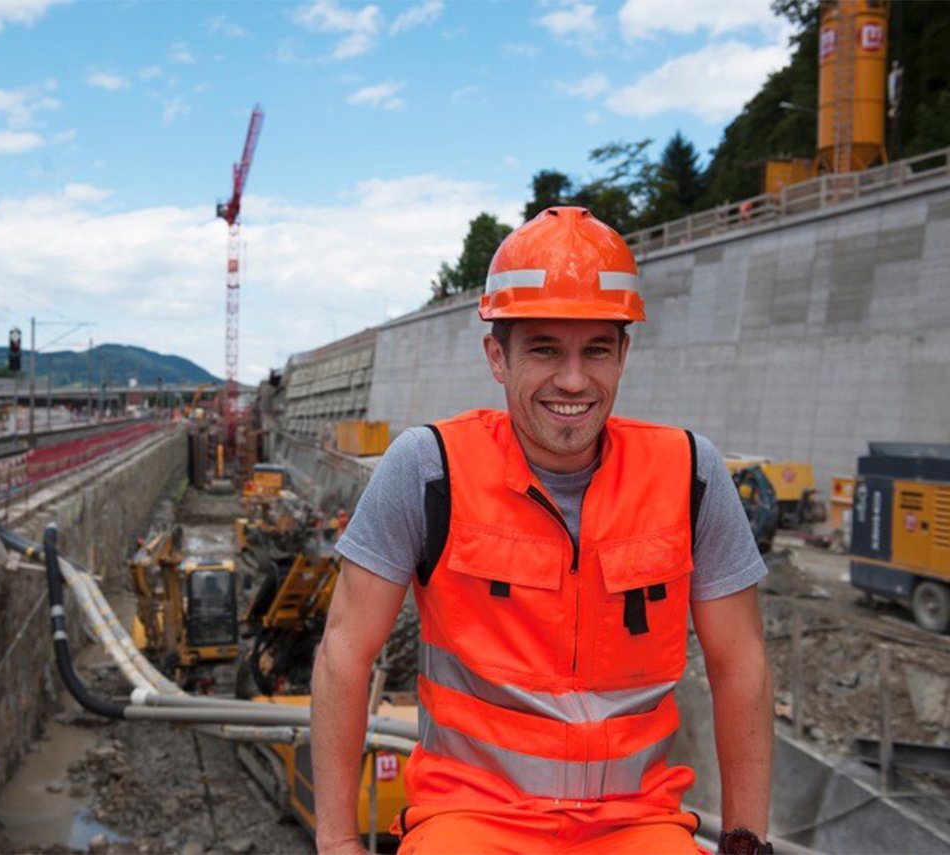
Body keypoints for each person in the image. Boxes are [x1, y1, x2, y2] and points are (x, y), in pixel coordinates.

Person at [310, 207, 773, 854]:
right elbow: (342, 654)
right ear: (497, 355)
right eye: (545, 348)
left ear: (623, 355)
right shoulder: (429, 471)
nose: (574, 379)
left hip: (636, 823)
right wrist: (337, 842)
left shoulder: (691, 477)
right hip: (470, 822)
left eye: (596, 350)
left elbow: (741, 663)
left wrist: (747, 841)